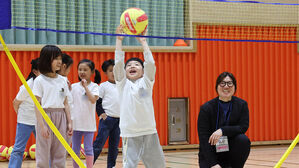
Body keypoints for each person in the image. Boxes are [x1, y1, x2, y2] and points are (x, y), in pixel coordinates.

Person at [113, 25, 165, 168]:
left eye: (136, 64)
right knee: (129, 166)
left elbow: (151, 64)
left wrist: (143, 42)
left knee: (158, 165)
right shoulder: (122, 85)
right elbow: (118, 65)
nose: (132, 66)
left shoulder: (147, 82)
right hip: (130, 133)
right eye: (128, 65)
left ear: (142, 70)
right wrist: (119, 41)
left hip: (149, 130)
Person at [197, 72, 251, 168]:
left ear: (234, 87)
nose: (226, 87)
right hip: (211, 153)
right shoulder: (206, 108)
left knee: (243, 140)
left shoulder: (241, 104)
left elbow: (243, 127)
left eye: (230, 83)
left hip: (230, 152)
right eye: (222, 83)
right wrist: (213, 164)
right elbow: (203, 138)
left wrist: (222, 131)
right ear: (217, 86)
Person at [32, 45, 73, 168]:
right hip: (45, 115)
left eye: (60, 58)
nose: (59, 62)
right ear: (46, 60)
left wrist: (69, 122)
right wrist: (42, 125)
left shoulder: (62, 80)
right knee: (43, 152)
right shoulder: (39, 80)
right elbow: (37, 104)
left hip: (61, 116)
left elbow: (66, 103)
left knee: (60, 151)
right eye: (56, 58)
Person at [8, 58, 40, 168]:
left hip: (40, 121)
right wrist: (21, 116)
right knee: (19, 149)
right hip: (25, 121)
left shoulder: (45, 83)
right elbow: (15, 102)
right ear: (35, 72)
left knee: (45, 149)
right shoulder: (28, 85)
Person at [71, 59, 101, 168]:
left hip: (88, 124)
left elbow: (93, 100)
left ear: (92, 72)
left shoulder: (95, 87)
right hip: (76, 124)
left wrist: (85, 87)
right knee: (75, 149)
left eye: (85, 69)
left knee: (88, 148)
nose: (82, 72)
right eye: (80, 69)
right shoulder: (73, 87)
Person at [93, 59, 120, 168]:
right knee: (99, 144)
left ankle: (111, 166)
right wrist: (102, 114)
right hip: (107, 120)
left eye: (116, 70)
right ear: (105, 73)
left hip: (119, 120)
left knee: (114, 146)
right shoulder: (103, 86)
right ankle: (89, 164)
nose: (113, 73)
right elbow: (98, 103)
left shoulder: (122, 85)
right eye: (110, 70)